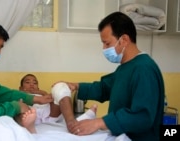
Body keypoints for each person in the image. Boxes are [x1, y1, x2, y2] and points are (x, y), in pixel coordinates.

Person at [57, 12, 165, 141]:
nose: (104, 48)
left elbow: (143, 116)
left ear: (124, 40)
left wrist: (100, 122)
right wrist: (76, 86)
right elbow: (104, 88)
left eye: (107, 44)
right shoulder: (125, 68)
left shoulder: (144, 69)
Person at [19, 74, 97, 130]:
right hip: (30, 113)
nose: (32, 84)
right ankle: (29, 124)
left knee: (58, 91)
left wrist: (41, 92)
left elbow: (50, 99)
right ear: (21, 88)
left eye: (35, 83)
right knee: (20, 105)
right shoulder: (19, 94)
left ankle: (73, 122)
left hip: (50, 114)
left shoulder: (41, 93)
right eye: (27, 82)